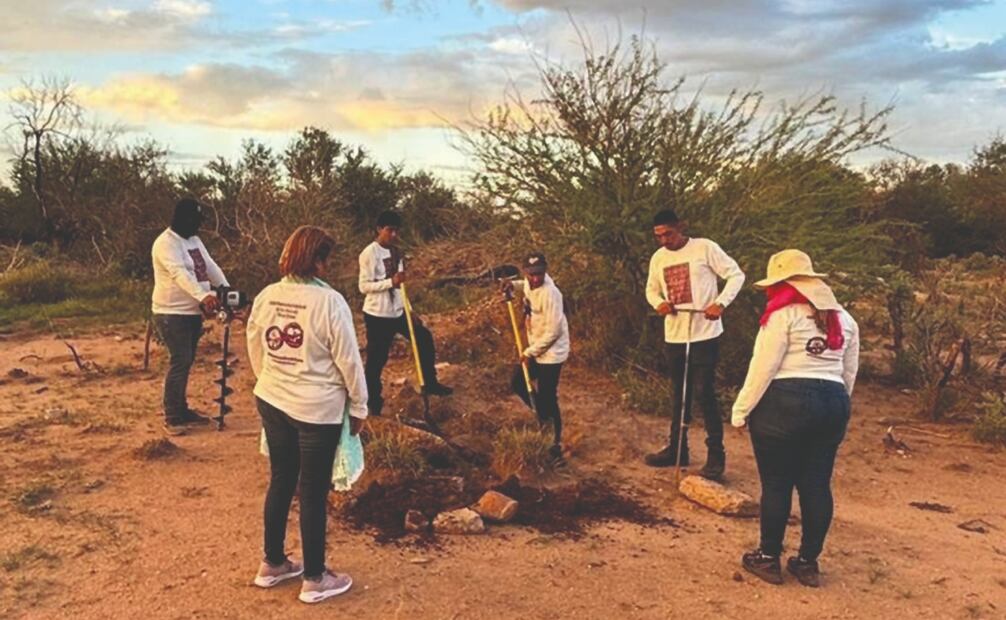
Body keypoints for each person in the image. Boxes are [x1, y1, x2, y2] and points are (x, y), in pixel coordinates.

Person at [246, 225, 368, 604]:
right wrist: (360, 405)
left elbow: (254, 343)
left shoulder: (267, 295)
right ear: (316, 260)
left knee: (282, 479)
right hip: (317, 409)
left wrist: (271, 379)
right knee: (314, 490)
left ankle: (273, 563)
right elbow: (349, 359)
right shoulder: (329, 302)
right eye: (325, 258)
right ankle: (315, 578)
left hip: (272, 398)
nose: (326, 266)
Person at [731, 249, 859, 588]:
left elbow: (763, 368)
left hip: (784, 403)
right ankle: (807, 562)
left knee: (777, 483)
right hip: (833, 401)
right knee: (817, 484)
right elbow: (849, 372)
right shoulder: (845, 319)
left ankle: (768, 557)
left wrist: (741, 410)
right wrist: (835, 407)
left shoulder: (782, 315)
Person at [643, 209, 745, 479]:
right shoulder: (659, 258)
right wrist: (659, 303)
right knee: (679, 392)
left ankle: (716, 456)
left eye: (668, 234)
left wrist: (720, 303)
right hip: (675, 334)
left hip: (704, 333)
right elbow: (651, 289)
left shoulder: (704, 248)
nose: (664, 240)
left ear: (681, 227)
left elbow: (736, 275)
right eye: (659, 236)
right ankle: (677, 448)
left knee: (704, 392)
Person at [358, 210, 452, 417]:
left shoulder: (397, 253)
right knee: (376, 360)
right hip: (377, 315)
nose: (394, 235)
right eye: (389, 230)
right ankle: (373, 404)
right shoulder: (369, 254)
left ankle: (429, 383)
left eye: (396, 231)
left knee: (423, 338)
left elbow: (401, 287)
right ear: (379, 229)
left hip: (398, 311)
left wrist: (409, 309)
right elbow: (363, 287)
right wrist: (390, 282)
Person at [150, 198, 228, 435]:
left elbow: (210, 266)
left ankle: (181, 410)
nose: (198, 225)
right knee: (180, 361)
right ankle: (173, 416)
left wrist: (226, 290)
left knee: (186, 361)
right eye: (195, 220)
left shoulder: (194, 240)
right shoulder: (165, 244)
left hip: (192, 312)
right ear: (183, 219)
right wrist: (203, 296)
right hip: (171, 313)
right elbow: (179, 274)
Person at [502, 252, 570, 461]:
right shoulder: (530, 284)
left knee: (548, 395)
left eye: (539, 274)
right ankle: (544, 417)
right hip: (536, 347)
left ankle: (555, 444)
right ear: (525, 272)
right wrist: (513, 285)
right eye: (531, 274)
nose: (535, 278)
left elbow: (554, 332)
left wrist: (529, 353)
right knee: (517, 382)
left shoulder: (551, 294)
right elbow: (525, 286)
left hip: (552, 353)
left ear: (545, 271)